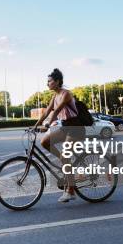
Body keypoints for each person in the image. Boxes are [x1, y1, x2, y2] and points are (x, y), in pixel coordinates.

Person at [33, 68, 83, 203]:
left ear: (57, 81)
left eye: (49, 81)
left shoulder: (66, 94)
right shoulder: (54, 96)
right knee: (44, 141)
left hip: (76, 127)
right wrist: (36, 125)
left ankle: (71, 191)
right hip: (66, 126)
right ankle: (64, 163)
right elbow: (46, 112)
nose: (47, 83)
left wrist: (49, 124)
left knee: (65, 156)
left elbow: (56, 111)